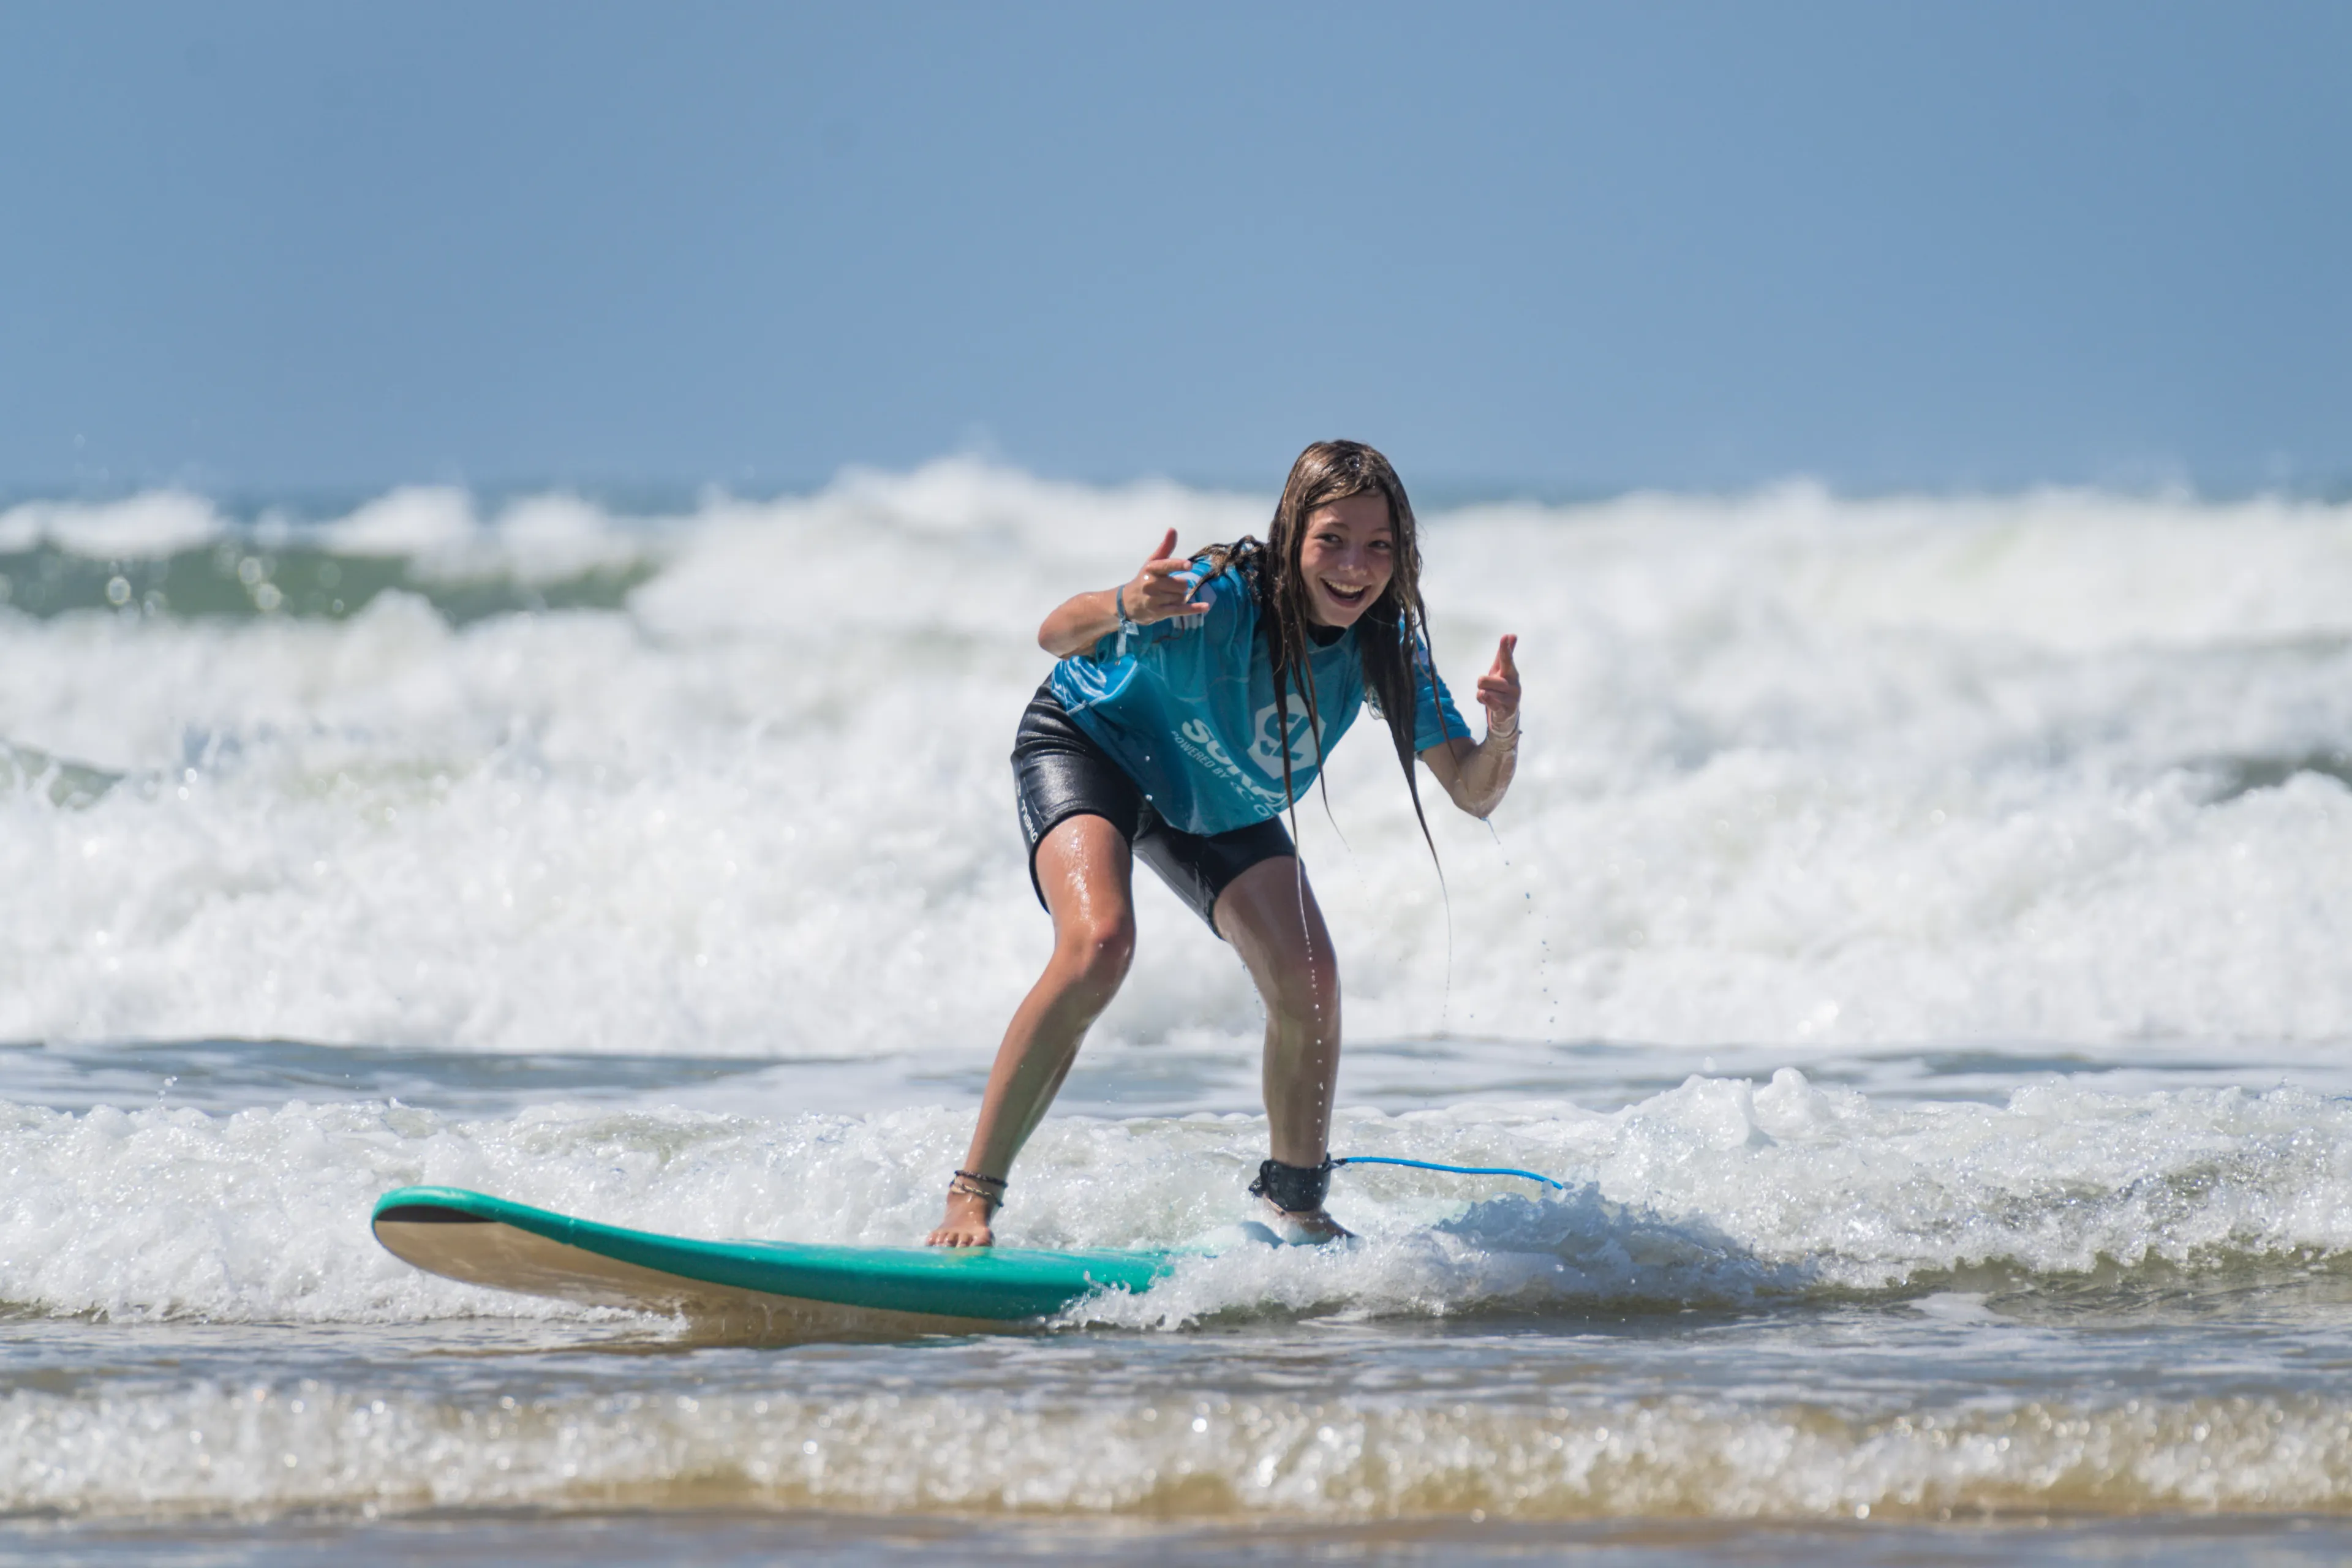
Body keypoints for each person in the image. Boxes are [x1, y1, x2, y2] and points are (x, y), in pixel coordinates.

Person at [926, 440, 1521, 1247]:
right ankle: (973, 1194)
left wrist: (1504, 729)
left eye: (1379, 545)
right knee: (1100, 943)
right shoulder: (1218, 598)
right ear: (1291, 536)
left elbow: (1472, 790)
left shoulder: (1386, 649)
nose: (1356, 566)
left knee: (1310, 978)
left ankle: (1297, 1206)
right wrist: (1126, 604)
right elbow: (1054, 634)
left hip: (1215, 799)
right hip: (1092, 745)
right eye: (1333, 540)